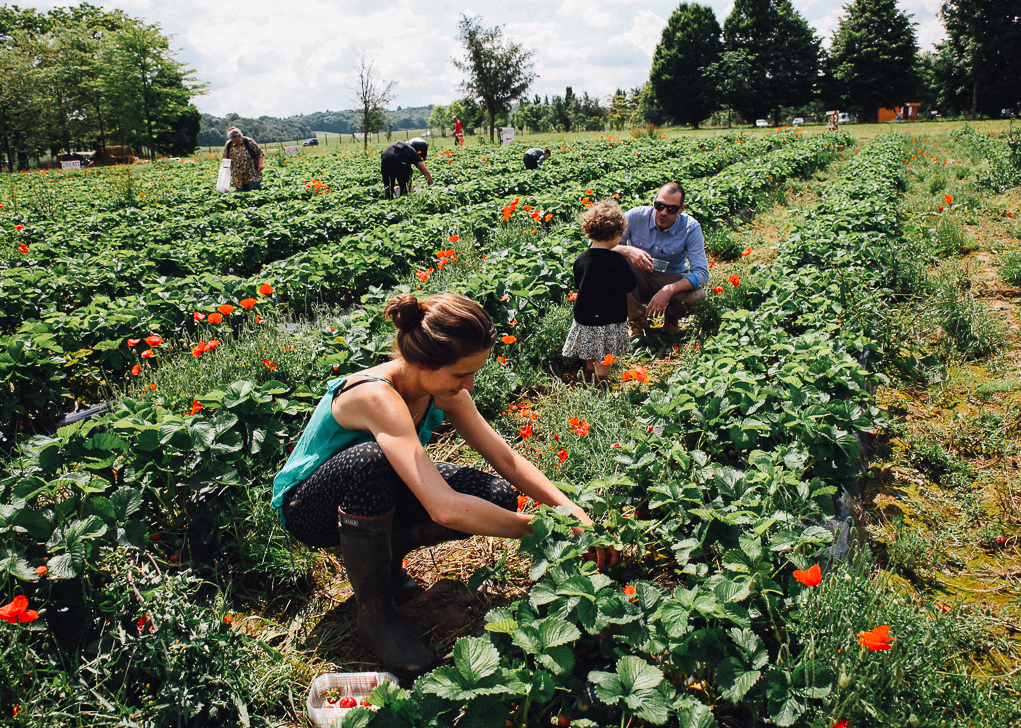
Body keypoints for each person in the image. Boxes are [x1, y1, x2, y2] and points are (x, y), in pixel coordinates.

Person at [271, 293, 609, 679]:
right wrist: (540, 528)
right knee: (373, 461)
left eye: (474, 372)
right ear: (419, 362)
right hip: (309, 509)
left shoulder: (440, 388)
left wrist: (570, 511)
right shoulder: (376, 395)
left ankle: (387, 559)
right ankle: (374, 612)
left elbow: (507, 460)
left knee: (495, 495)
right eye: (460, 374)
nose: (469, 383)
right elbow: (444, 508)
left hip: (376, 491)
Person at [613, 182, 708, 335]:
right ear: (654, 201)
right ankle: (637, 320)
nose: (663, 212)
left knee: (699, 296)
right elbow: (602, 248)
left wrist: (669, 290)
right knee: (615, 264)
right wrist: (627, 250)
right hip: (638, 280)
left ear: (681, 209)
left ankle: (671, 318)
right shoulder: (635, 216)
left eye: (671, 209)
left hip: (671, 278)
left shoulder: (691, 228)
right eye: (659, 205)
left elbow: (702, 274)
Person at [562, 200, 639, 385]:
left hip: (586, 315)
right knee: (604, 353)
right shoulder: (616, 259)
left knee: (590, 349)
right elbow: (629, 284)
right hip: (609, 316)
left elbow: (577, 283)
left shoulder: (582, 258)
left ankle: (589, 374)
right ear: (615, 234)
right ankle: (600, 382)